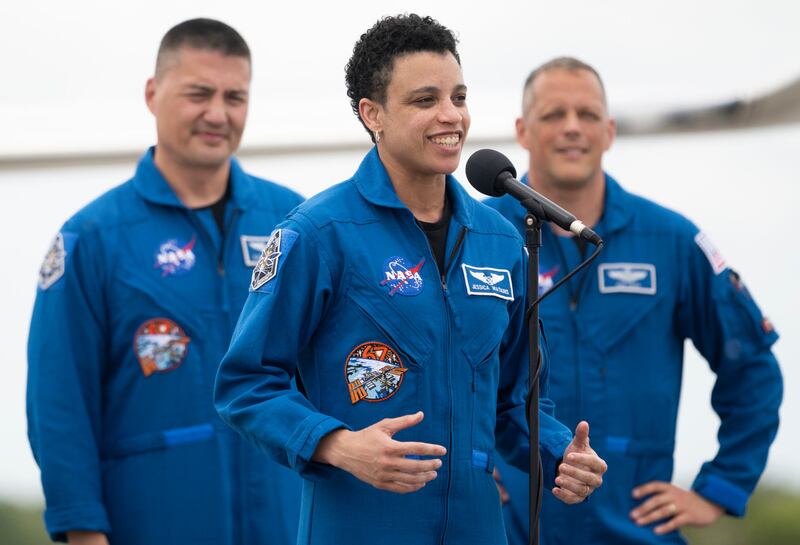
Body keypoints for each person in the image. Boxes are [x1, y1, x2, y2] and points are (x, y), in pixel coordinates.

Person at [213, 15, 607, 545]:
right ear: (372, 114)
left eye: (459, 97)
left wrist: (560, 451)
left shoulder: (502, 240)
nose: (451, 116)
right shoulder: (318, 233)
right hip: (356, 525)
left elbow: (514, 401)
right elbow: (246, 385)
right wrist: (337, 444)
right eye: (425, 100)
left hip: (476, 528)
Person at [27, 18, 304, 545]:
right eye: (199, 94)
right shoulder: (93, 239)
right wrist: (81, 530)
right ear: (154, 94)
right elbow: (58, 404)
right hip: (151, 521)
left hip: (284, 521)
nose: (218, 114)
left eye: (235, 97)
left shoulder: (294, 223)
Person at [486, 57, 783, 545]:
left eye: (586, 115)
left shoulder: (670, 240)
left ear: (609, 130)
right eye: (553, 115)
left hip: (635, 529)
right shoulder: (478, 236)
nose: (571, 129)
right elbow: (430, 372)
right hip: (505, 528)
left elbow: (751, 366)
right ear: (522, 129)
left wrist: (720, 487)